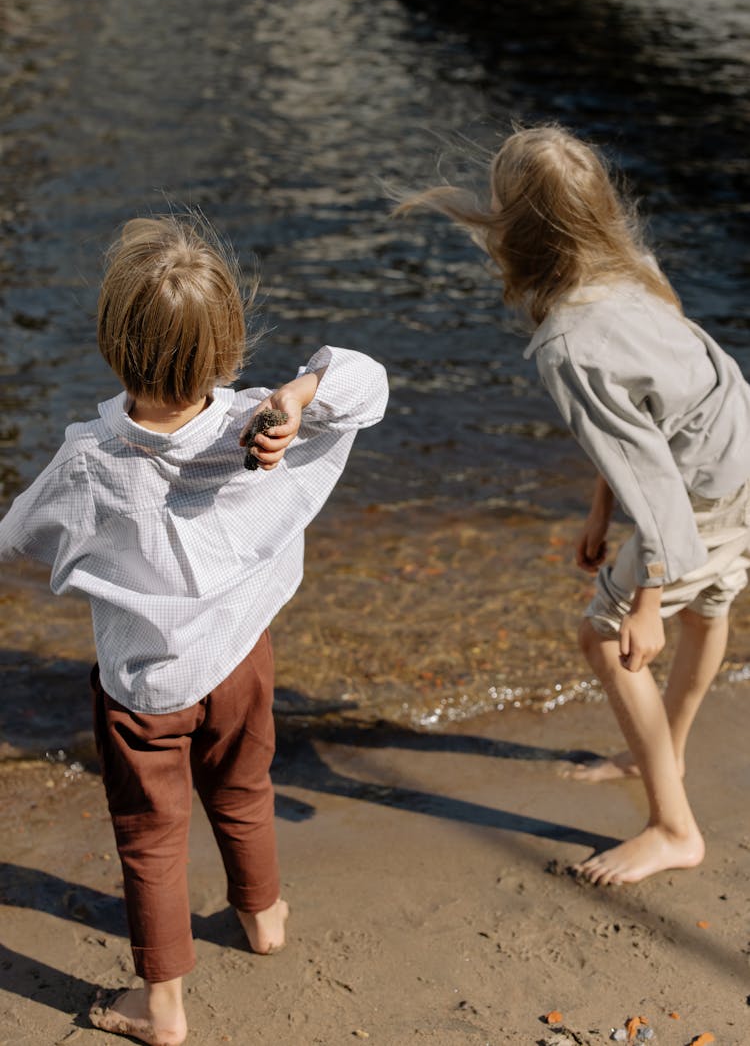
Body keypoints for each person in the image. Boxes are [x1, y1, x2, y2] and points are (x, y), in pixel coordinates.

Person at [0, 214, 388, 1045]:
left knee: (150, 836)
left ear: (113, 341)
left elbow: (18, 535)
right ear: (230, 342)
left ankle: (162, 1004)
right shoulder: (263, 422)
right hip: (242, 657)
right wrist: (300, 392)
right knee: (246, 790)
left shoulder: (89, 460)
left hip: (145, 688)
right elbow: (368, 381)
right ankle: (263, 915)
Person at [394, 124, 750, 886]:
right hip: (737, 445)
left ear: (517, 234)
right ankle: (667, 750)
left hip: (692, 493)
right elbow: (640, 426)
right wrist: (598, 514)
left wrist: (646, 594)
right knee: (710, 607)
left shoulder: (568, 344)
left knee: (606, 637)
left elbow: (649, 471)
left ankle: (672, 825)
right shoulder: (633, 265)